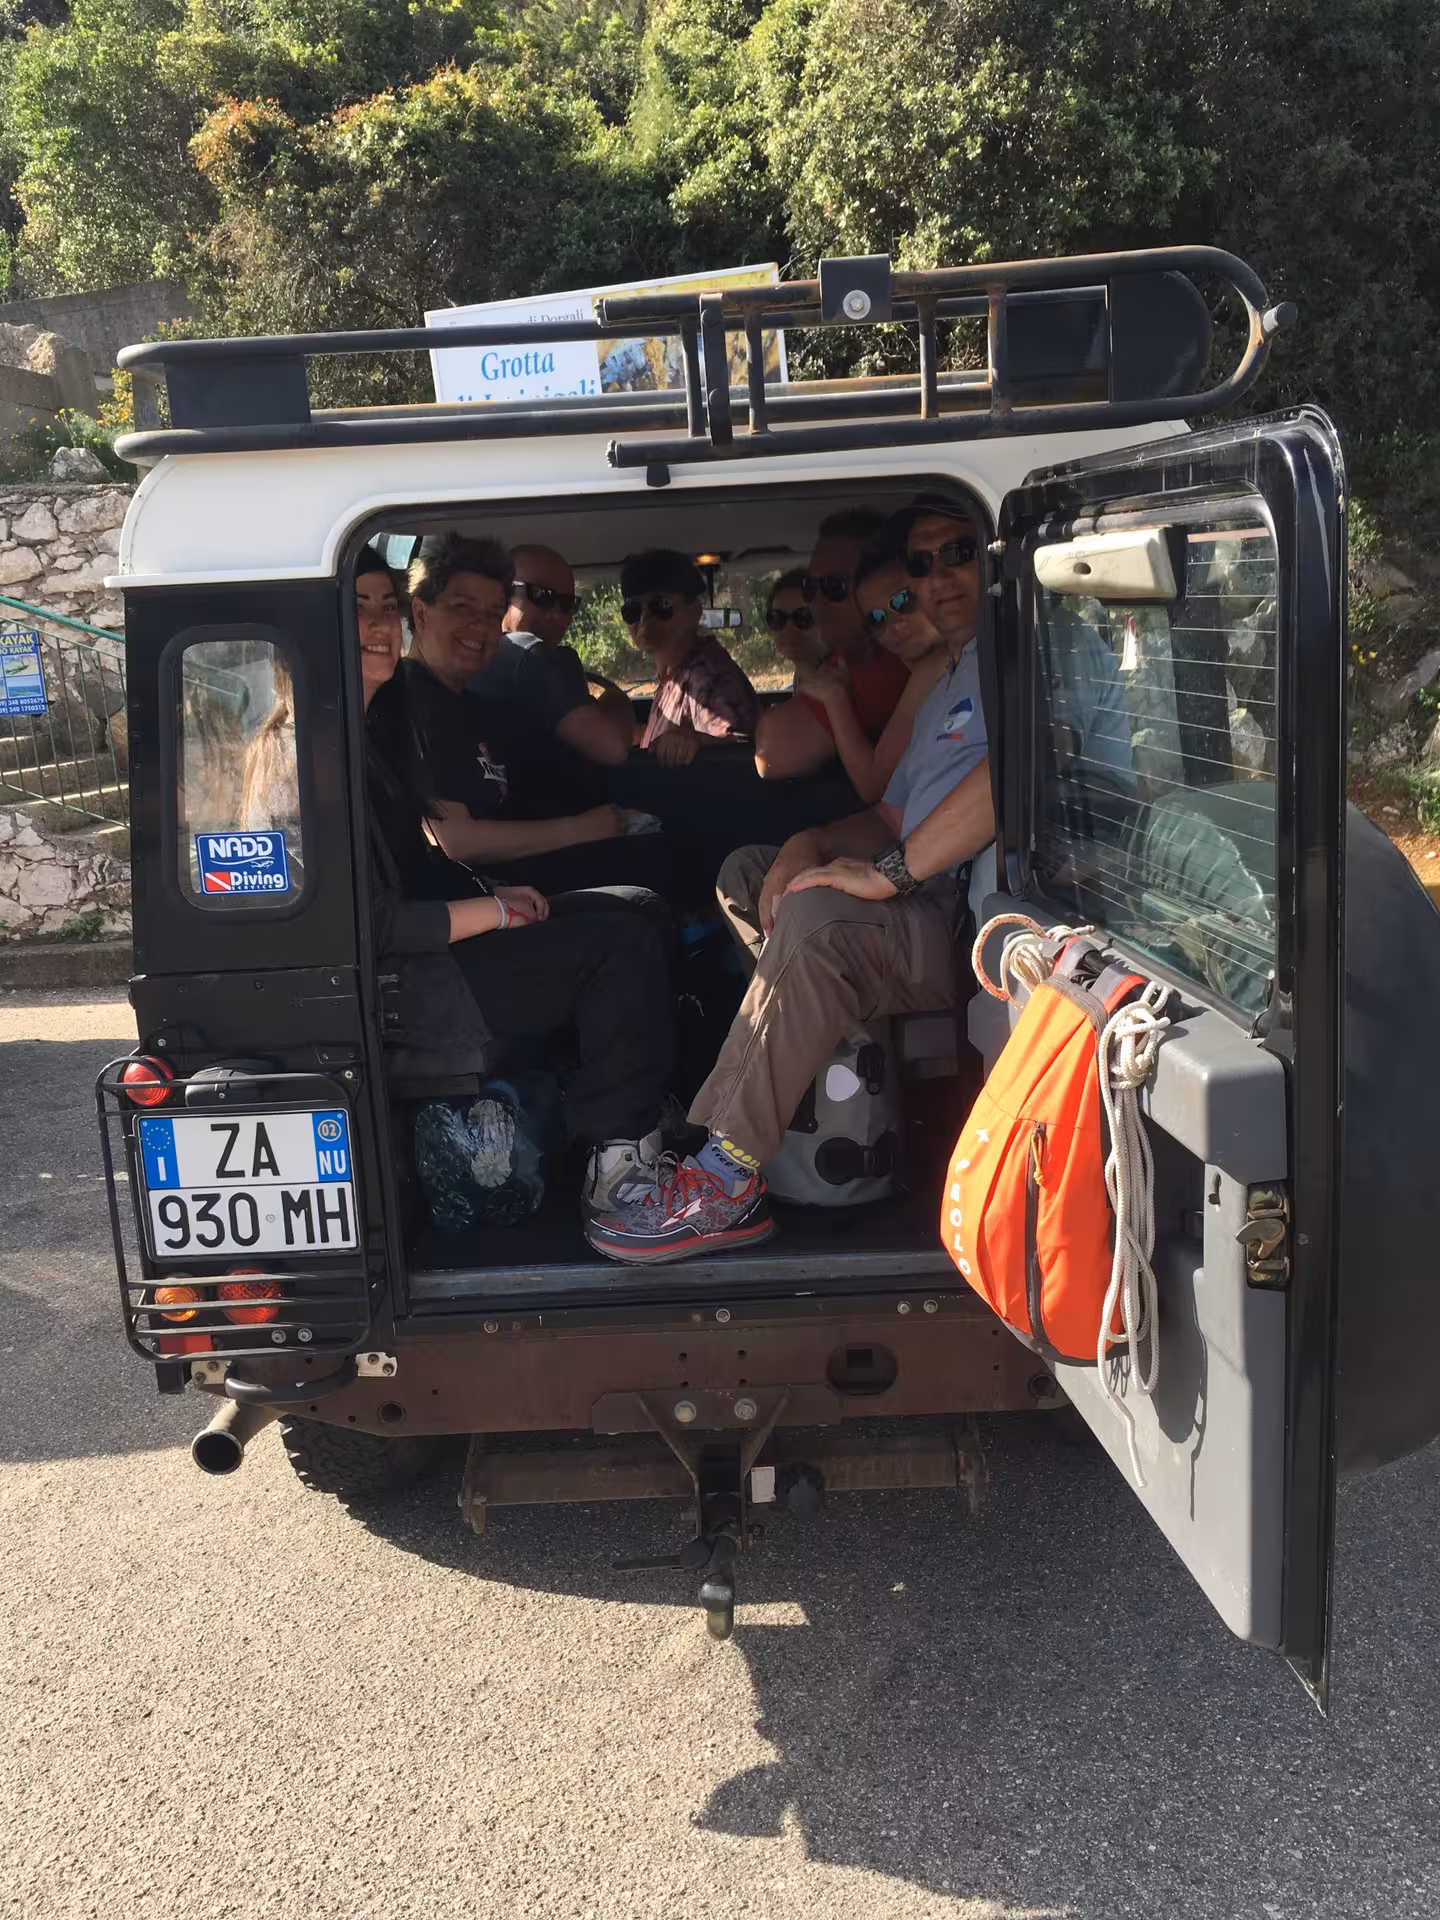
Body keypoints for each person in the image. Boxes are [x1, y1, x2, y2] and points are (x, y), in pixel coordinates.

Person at [584, 507, 994, 1265]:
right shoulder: (949, 680)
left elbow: (1006, 783)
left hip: (974, 922)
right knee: (749, 869)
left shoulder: (1020, 661)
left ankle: (724, 1177)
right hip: (917, 898)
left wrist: (886, 873)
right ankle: (796, 1055)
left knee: (815, 917)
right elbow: (891, 809)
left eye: (960, 554)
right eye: (922, 565)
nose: (937, 580)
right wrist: (808, 845)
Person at [357, 546, 671, 1223]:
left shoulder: (382, 723)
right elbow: (373, 923)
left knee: (636, 912)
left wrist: (497, 897)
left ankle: (629, 1115)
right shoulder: (321, 749)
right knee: (616, 943)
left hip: (438, 945)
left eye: (385, 608)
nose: (378, 626)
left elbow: (428, 856)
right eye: (361, 609)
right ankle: (618, 1169)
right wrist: (493, 913)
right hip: (407, 986)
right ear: (426, 613)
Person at [398, 532, 643, 881]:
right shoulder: (410, 701)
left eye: (491, 613)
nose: (480, 628)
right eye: (462, 608)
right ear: (421, 613)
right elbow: (457, 841)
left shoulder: (470, 704)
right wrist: (580, 829)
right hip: (474, 901)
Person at [753, 508, 911, 786]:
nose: (815, 602)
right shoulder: (846, 660)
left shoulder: (891, 664)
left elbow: (771, 754)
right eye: (810, 587)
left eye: (834, 586)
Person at [787, 542, 951, 803]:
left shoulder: (942, 663)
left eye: (903, 601)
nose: (894, 622)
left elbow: (874, 787)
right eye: (876, 618)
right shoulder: (928, 671)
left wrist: (834, 697)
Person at [471, 543, 635, 768]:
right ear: (500, 594)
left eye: (568, 603)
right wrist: (617, 701)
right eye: (540, 595)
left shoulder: (472, 661)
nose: (557, 615)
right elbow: (613, 750)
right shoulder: (528, 654)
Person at [628, 550, 760, 767]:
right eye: (632, 611)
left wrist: (697, 741)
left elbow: (743, 758)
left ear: (694, 611)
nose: (643, 621)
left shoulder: (709, 676)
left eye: (660, 606)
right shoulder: (676, 673)